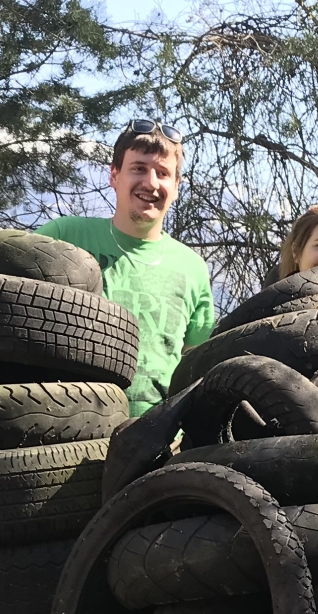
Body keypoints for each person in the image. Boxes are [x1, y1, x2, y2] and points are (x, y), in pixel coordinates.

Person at [39, 121, 215, 414]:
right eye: (139, 168)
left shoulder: (193, 268)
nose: (151, 183)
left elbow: (196, 362)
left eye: (163, 173)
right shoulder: (65, 236)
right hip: (64, 426)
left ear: (176, 187)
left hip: (156, 442)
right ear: (114, 175)